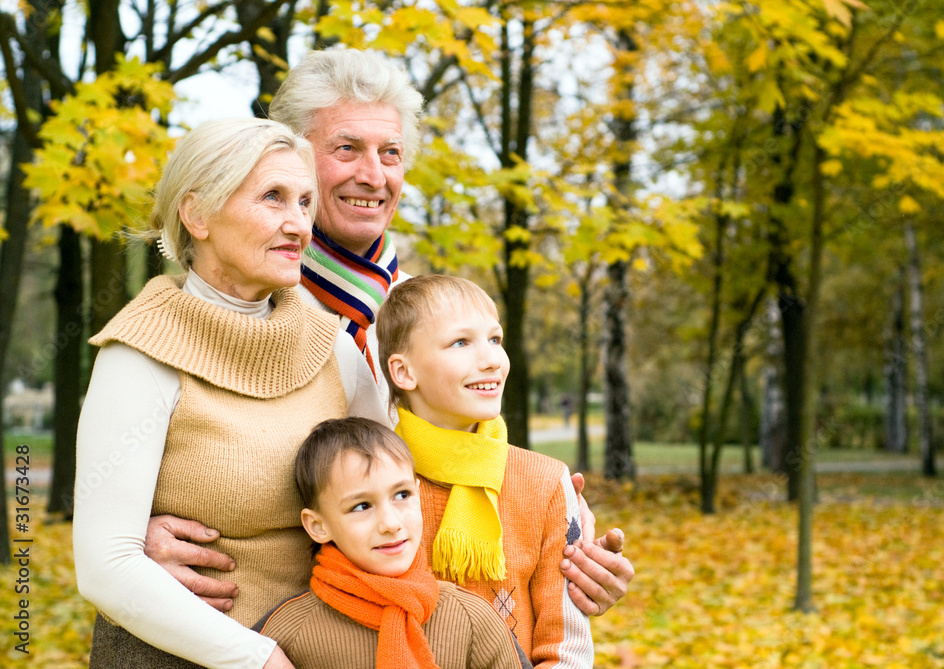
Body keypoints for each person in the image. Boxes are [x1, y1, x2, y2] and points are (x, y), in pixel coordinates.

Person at [144, 47, 633, 622]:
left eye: (391, 153)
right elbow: (133, 469)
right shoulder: (219, 306)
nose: (373, 176)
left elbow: (471, 474)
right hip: (253, 626)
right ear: (294, 158)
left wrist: (566, 543)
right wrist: (137, 533)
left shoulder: (439, 321)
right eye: (346, 148)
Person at [73, 117, 384, 669]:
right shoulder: (141, 353)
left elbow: (397, 489)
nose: (297, 224)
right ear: (197, 215)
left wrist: (552, 510)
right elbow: (106, 562)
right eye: (273, 197)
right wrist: (256, 658)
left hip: (326, 648)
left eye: (305, 203)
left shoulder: (331, 346)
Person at [376, 274, 594, 668]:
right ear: (404, 372)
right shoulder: (373, 482)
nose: (492, 358)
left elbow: (567, 648)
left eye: (495, 339)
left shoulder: (545, 483)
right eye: (461, 343)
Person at [256, 417, 524, 669]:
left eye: (402, 494)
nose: (391, 523)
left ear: (418, 496)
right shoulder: (288, 632)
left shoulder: (471, 618)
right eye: (362, 506)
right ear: (318, 526)